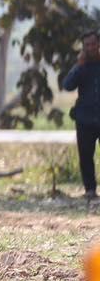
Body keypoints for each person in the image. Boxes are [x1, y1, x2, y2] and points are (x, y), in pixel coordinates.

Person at [61, 30, 100, 200]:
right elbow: (68, 85)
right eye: (87, 45)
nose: (90, 48)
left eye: (93, 44)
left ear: (98, 44)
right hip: (85, 119)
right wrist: (78, 65)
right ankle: (90, 190)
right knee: (85, 155)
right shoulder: (81, 66)